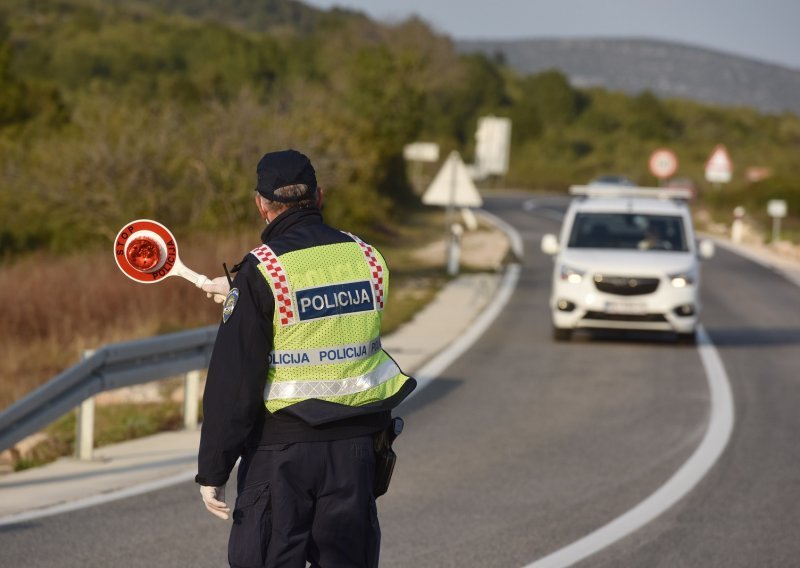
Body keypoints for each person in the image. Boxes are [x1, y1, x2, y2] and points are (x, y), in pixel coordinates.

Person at [195, 149, 416, 568]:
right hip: (355, 453)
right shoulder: (367, 257)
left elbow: (234, 383)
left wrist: (213, 470)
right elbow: (327, 316)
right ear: (320, 196)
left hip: (283, 455)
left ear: (261, 204)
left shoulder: (262, 271)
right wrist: (244, 295)